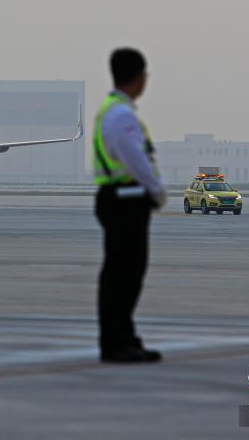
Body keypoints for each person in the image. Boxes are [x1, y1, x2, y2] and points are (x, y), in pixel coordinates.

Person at [93, 47, 166, 363]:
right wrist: (156, 189)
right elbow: (135, 158)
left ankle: (122, 338)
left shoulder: (111, 110)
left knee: (120, 273)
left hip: (118, 198)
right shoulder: (121, 115)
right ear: (138, 78)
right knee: (126, 274)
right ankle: (117, 343)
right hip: (126, 200)